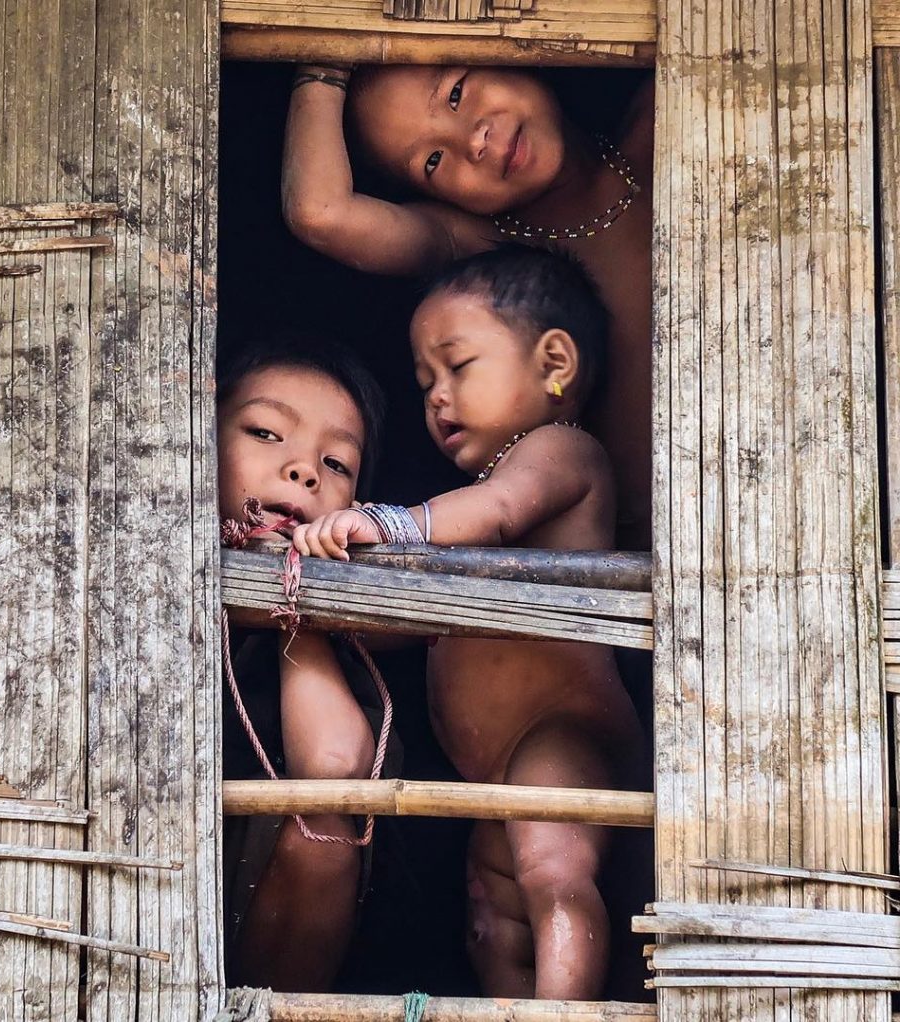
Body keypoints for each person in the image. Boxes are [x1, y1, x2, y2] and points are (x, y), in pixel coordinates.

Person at [292, 249, 644, 999]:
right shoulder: (472, 502)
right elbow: (419, 621)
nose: (438, 399)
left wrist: (386, 525)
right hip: (499, 767)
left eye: (457, 366)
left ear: (555, 362)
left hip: (562, 731)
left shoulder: (558, 452)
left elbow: (501, 508)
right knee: (493, 917)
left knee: (553, 874)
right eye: (425, 384)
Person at [282, 63, 653, 551]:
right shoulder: (487, 250)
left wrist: (391, 525)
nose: (472, 141)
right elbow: (321, 213)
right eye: (433, 162)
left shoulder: (676, 124)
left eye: (456, 92)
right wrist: (323, 63)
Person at [217, 337, 395, 992]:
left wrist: (291, 600)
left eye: (337, 463)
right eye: (266, 432)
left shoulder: (338, 646)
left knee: (324, 833)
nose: (304, 472)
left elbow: (331, 770)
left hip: (255, 949)